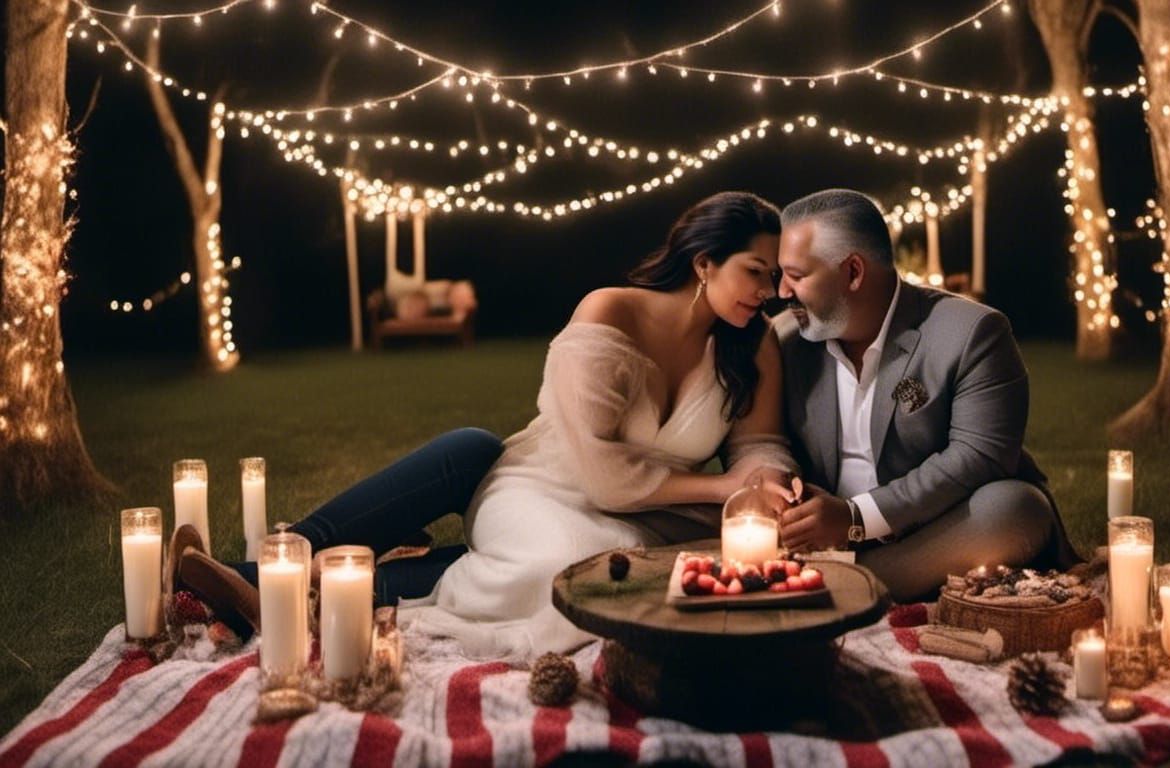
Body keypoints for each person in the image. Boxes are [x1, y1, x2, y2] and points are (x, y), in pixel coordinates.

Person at [174, 191, 796, 658]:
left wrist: (765, 481)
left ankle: (320, 589)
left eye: (775, 276)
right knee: (566, 555)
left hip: (641, 516)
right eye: (755, 270)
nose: (767, 291)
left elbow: (762, 447)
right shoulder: (611, 312)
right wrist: (724, 489)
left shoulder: (754, 345)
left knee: (616, 562)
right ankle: (262, 574)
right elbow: (604, 476)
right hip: (540, 487)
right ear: (704, 262)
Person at [768, 189, 1080, 601]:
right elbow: (768, 439)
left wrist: (856, 518)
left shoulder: (971, 332)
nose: (783, 292)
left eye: (797, 276)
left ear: (853, 273)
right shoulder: (784, 341)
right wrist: (791, 498)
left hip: (935, 529)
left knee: (1015, 507)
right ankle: (855, 580)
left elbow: (981, 457)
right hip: (826, 535)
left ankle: (850, 583)